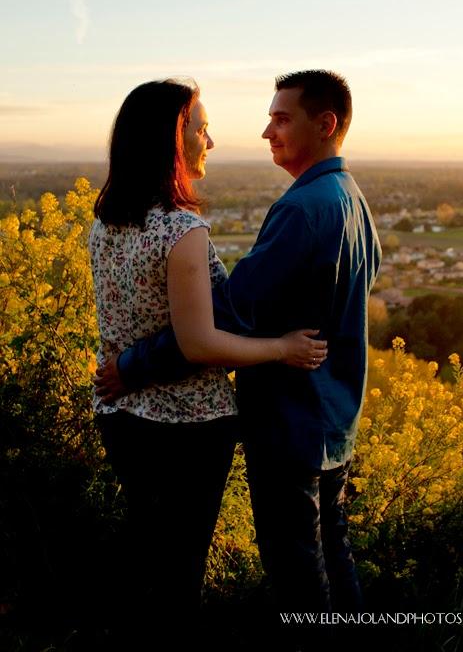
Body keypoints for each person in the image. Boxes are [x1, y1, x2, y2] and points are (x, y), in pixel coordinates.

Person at [95, 70, 381, 650]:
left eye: (281, 118)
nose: (264, 131)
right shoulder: (353, 201)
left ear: (324, 125)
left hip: (289, 416)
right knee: (330, 550)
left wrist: (134, 365)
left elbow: (227, 313)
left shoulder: (300, 210)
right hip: (331, 415)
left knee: (296, 567)